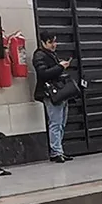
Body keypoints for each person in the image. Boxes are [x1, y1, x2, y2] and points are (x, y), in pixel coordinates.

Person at [30, 32, 75, 162]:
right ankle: (56, 151)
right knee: (55, 122)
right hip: (51, 93)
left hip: (60, 92)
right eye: (50, 42)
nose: (54, 45)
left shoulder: (50, 54)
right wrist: (60, 67)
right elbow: (43, 74)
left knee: (61, 122)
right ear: (43, 42)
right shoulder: (39, 55)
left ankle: (59, 149)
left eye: (55, 42)